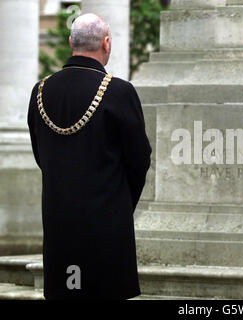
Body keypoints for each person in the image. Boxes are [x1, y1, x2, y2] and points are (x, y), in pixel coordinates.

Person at [27, 13, 151, 300]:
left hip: (59, 220)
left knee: (66, 293)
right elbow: (139, 160)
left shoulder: (40, 91)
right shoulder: (120, 92)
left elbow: (40, 153)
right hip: (106, 223)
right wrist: (119, 202)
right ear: (106, 44)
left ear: (71, 42)